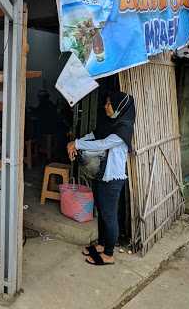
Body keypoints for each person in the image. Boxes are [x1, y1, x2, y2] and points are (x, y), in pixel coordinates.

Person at [67, 91, 136, 266]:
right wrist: (76, 141)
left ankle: (109, 254)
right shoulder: (109, 123)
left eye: (109, 103)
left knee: (109, 215)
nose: (105, 106)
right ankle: (101, 244)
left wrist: (77, 144)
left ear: (119, 106)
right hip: (100, 174)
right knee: (102, 213)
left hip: (112, 178)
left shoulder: (124, 127)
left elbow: (104, 143)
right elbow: (94, 135)